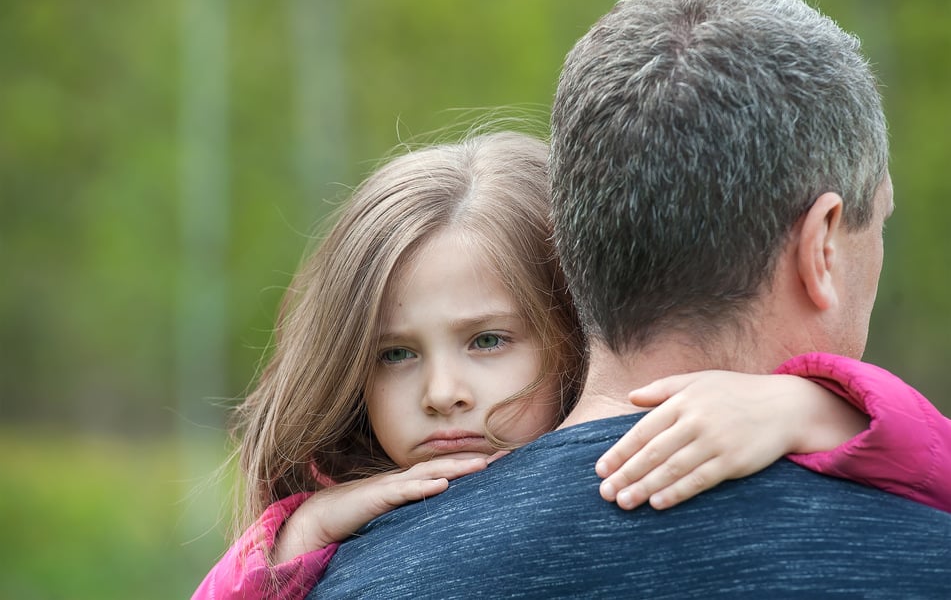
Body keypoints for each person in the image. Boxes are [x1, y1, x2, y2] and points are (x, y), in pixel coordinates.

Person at [308, 0, 951, 598]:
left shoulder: (347, 578)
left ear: (574, 236)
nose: (444, 394)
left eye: (485, 340)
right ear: (822, 245)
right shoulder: (925, 549)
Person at [195, 124, 947, 599]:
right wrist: (289, 543)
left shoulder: (722, 423)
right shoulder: (324, 549)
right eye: (394, 354)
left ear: (574, 326)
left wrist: (818, 406)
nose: (443, 393)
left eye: (488, 340)